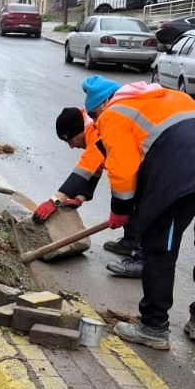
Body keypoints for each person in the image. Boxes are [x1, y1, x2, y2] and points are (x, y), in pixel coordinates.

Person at [82, 75, 195, 350]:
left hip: (181, 178)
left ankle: (154, 327)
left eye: (94, 116)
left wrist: (121, 209)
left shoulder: (113, 113)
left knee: (159, 251)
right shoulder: (171, 96)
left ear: (101, 105)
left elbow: (123, 168)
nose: (97, 123)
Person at [32, 107, 145, 277]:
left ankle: (144, 258)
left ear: (79, 131)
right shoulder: (92, 130)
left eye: (70, 140)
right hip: (136, 170)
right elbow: (95, 170)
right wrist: (80, 198)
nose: (71, 146)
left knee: (141, 205)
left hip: (148, 168)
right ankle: (131, 241)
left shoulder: (96, 133)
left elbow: (84, 170)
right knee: (128, 197)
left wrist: (54, 201)